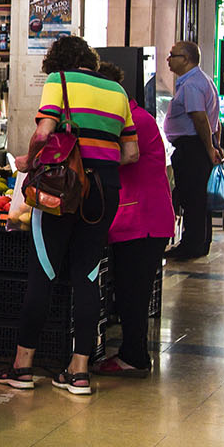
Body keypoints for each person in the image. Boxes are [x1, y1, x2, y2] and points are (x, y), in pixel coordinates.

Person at [0, 36, 136, 397]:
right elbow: (131, 152)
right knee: (88, 276)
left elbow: (44, 132)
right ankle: (79, 373)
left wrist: (28, 161)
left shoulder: (59, 81)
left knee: (42, 273)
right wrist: (97, 164)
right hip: (105, 192)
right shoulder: (118, 91)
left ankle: (22, 366)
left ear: (57, 61)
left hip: (61, 190)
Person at [95, 61, 170, 377]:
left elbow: (121, 156)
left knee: (132, 293)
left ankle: (134, 357)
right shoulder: (134, 117)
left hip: (144, 221)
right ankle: (132, 353)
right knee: (129, 290)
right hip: (136, 219)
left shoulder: (135, 120)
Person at [163, 40, 221, 260]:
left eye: (172, 55)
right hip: (199, 146)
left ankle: (192, 245)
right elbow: (216, 121)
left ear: (185, 59)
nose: (168, 59)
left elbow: (200, 118)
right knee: (198, 198)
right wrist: (216, 144)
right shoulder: (203, 80)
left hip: (193, 148)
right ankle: (201, 242)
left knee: (192, 198)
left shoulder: (191, 85)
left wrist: (209, 149)